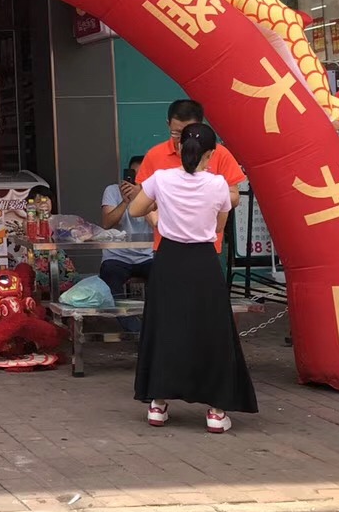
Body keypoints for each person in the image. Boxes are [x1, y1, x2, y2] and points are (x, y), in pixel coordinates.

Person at [128, 123, 258, 433]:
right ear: (210, 154)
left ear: (179, 147)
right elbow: (218, 226)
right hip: (202, 261)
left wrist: (158, 217)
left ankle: (157, 404)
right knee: (211, 331)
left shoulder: (161, 178)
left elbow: (135, 210)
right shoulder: (218, 185)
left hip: (169, 259)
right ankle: (215, 411)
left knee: (165, 326)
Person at [135, 99, 245, 252]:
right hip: (166, 244)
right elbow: (142, 200)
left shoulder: (219, 154)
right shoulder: (155, 155)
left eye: (189, 133)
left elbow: (234, 197)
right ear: (168, 124)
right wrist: (155, 219)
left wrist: (202, 194)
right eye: (177, 133)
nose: (183, 140)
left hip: (206, 244)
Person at [99, 154, 154, 296]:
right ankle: (120, 311)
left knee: (164, 279)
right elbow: (107, 223)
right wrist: (125, 202)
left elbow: (156, 224)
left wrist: (140, 199)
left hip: (147, 257)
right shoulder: (112, 190)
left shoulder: (154, 193)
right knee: (111, 282)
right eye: (134, 175)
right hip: (117, 256)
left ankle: (154, 311)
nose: (137, 180)